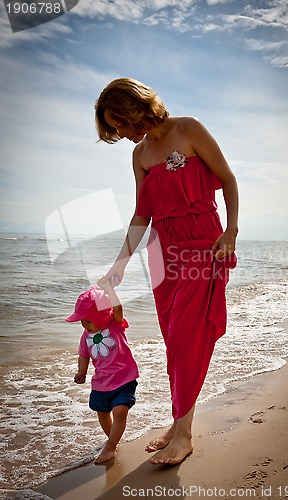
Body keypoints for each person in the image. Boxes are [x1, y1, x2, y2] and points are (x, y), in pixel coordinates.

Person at [95, 77, 238, 465]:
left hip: (202, 242)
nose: (121, 133)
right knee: (172, 339)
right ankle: (178, 423)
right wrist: (119, 264)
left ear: (135, 108)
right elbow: (142, 214)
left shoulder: (188, 129)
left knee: (186, 336)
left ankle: (184, 435)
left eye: (121, 123)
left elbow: (227, 179)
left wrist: (231, 231)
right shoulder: (139, 155)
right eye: (114, 129)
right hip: (163, 252)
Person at [65, 283, 139, 464]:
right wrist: (82, 371)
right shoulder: (85, 336)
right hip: (102, 382)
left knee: (120, 410)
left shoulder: (115, 323)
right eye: (82, 321)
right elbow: (83, 355)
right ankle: (113, 439)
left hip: (124, 377)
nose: (84, 324)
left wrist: (110, 290)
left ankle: (110, 446)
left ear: (101, 316)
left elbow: (118, 307)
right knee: (102, 413)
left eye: (88, 320)